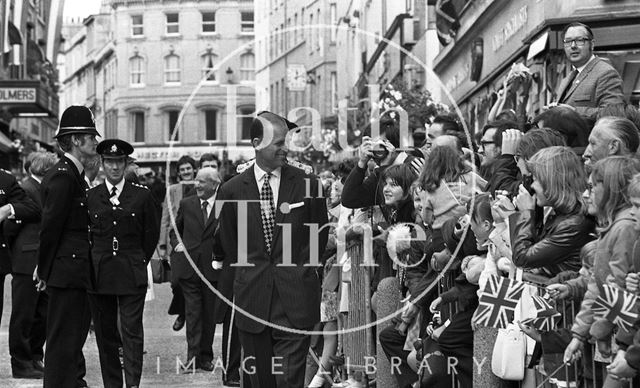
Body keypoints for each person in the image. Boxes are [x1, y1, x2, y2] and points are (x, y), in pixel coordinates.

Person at [215, 111, 329, 387]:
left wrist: (303, 270)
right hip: (252, 300)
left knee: (288, 380)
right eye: (278, 143)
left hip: (295, 300)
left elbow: (319, 236)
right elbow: (229, 244)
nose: (285, 148)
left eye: (286, 141)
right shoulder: (231, 191)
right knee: (258, 382)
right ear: (256, 143)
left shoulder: (308, 184)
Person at [86, 139, 159, 388]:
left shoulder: (142, 195)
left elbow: (150, 235)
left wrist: (138, 260)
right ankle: (113, 384)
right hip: (101, 273)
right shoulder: (91, 197)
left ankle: (133, 384)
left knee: (131, 333)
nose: (115, 168)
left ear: (126, 164)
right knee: (106, 336)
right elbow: (87, 236)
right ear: (102, 163)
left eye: (119, 162)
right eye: (110, 162)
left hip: (130, 270)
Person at [37, 105, 100, 388]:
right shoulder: (64, 176)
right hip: (66, 271)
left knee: (71, 338)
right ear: (76, 140)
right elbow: (51, 228)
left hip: (72, 270)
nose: (95, 142)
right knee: (63, 340)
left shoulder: (73, 175)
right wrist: (45, 270)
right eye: (91, 136)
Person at [6, 152, 56, 379]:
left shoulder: (40, 188)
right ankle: (21, 362)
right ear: (45, 168)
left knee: (41, 313)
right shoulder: (25, 189)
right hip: (26, 260)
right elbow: (10, 227)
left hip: (39, 259)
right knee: (24, 314)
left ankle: (34, 356)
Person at [510, 146, 595, 279]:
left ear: (552, 182)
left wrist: (526, 213)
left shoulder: (574, 224)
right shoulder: (560, 213)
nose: (533, 186)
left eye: (537, 180)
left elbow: (522, 258)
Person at [170, 167, 222, 371]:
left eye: (202, 182)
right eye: (197, 181)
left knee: (209, 315)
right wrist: (177, 245)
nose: (197, 185)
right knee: (192, 314)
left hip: (212, 269)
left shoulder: (223, 205)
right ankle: (192, 358)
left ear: (214, 184)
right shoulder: (187, 204)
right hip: (189, 268)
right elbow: (175, 230)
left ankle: (205, 357)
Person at [554, 22, 624, 120]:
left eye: (579, 40)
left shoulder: (606, 73)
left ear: (592, 44)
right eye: (568, 41)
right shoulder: (566, 80)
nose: (573, 46)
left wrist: (574, 112)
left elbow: (614, 115)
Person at [160, 155, 197, 331]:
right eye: (182, 169)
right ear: (179, 173)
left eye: (188, 168)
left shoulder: (202, 186)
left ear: (194, 169)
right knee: (176, 282)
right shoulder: (172, 190)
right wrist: (162, 246)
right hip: (176, 242)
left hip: (196, 240)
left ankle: (189, 314)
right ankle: (182, 310)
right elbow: (165, 219)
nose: (186, 172)